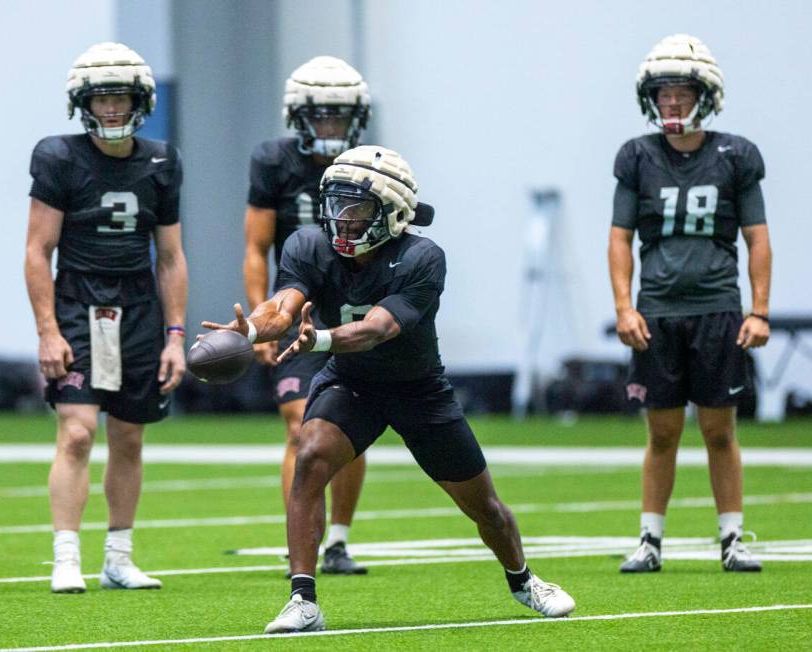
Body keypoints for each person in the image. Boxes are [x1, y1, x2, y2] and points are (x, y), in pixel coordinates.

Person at [204, 146, 576, 632]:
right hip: (351, 383)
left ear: (392, 212)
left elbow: (376, 329)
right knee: (309, 455)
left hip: (417, 389)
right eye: (336, 203)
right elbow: (282, 305)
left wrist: (320, 339)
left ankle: (524, 581)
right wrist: (250, 331)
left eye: (356, 207)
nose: (342, 218)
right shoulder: (308, 245)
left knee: (485, 508)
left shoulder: (422, 257)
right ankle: (303, 600)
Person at [24, 42, 188, 593]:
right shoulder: (58, 156)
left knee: (129, 437)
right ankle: (66, 555)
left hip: (140, 307)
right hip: (77, 304)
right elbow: (36, 250)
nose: (111, 109)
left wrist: (175, 336)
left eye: (119, 97)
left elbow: (170, 257)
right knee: (75, 432)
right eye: (100, 99)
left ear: (139, 100)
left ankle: (118, 556)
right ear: (82, 104)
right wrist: (47, 330)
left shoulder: (162, 160)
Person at [608, 34, 771, 573]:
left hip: (717, 308)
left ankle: (732, 538)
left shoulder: (737, 155)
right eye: (663, 92)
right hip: (657, 311)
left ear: (706, 94)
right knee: (662, 432)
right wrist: (624, 307)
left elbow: (757, 238)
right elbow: (619, 238)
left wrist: (760, 310)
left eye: (681, 91)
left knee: (720, 430)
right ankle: (650, 539)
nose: (671, 102)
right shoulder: (636, 155)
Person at [243, 56, 370, 575]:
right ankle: (302, 536)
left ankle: (337, 538)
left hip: (354, 311)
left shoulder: (371, 162)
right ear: (299, 116)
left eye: (340, 117)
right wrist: (259, 320)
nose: (332, 127)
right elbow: (256, 246)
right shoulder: (273, 160)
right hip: (296, 310)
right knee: (300, 426)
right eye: (322, 116)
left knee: (352, 427)